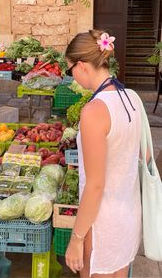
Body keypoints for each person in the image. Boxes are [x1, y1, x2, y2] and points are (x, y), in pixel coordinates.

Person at [65, 30, 142, 278]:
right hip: (128, 214)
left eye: (70, 71)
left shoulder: (94, 111)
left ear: (82, 66)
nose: (72, 78)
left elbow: (95, 185)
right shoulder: (131, 98)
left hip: (102, 223)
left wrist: (76, 238)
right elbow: (143, 158)